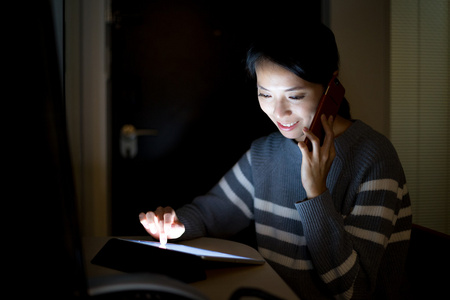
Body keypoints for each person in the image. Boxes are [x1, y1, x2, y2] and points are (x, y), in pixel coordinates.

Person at [139, 22, 412, 299]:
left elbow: (355, 291)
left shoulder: (374, 157)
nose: (278, 112)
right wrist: (175, 225)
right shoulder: (265, 152)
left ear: (332, 86)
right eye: (265, 94)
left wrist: (317, 194)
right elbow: (210, 215)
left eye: (294, 96)